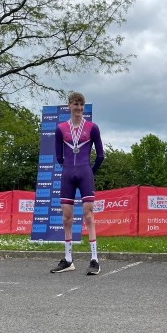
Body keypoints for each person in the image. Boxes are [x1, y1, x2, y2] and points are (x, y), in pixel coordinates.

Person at [51, 91, 105, 275]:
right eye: (75, 104)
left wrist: (89, 171)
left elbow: (100, 155)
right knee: (67, 217)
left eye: (81, 105)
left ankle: (94, 260)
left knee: (88, 216)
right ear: (69, 106)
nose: (79, 108)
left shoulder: (92, 127)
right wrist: (68, 168)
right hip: (68, 174)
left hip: (84, 173)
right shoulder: (60, 128)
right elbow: (59, 156)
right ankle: (68, 259)